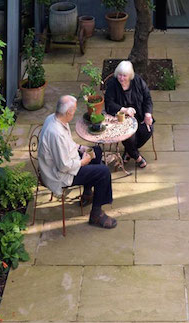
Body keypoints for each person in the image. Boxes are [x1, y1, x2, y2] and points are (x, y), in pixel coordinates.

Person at [37, 95, 117, 228]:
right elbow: (64, 166)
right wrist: (82, 162)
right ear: (68, 112)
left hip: (65, 163)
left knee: (96, 151)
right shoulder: (56, 133)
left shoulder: (55, 118)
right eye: (74, 110)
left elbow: (67, 144)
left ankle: (87, 194)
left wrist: (81, 148)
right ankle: (96, 215)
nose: (74, 113)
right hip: (59, 175)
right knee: (103, 172)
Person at [103, 59, 154, 168]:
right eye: (120, 75)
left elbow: (147, 98)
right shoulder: (113, 84)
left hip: (139, 114)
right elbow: (109, 104)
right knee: (129, 137)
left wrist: (148, 114)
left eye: (124, 76)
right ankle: (137, 157)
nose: (121, 78)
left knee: (148, 131)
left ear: (130, 75)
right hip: (122, 118)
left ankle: (129, 151)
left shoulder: (138, 81)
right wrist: (124, 109)